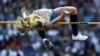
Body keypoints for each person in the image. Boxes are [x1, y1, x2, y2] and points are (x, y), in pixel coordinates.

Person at [16, 6, 88, 50]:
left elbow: (23, 14)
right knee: (74, 10)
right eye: (42, 22)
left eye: (40, 20)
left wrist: (23, 11)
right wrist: (63, 14)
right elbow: (58, 19)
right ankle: (75, 35)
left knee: (38, 27)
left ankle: (44, 38)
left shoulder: (29, 19)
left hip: (48, 12)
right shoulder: (47, 24)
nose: (42, 20)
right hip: (53, 13)